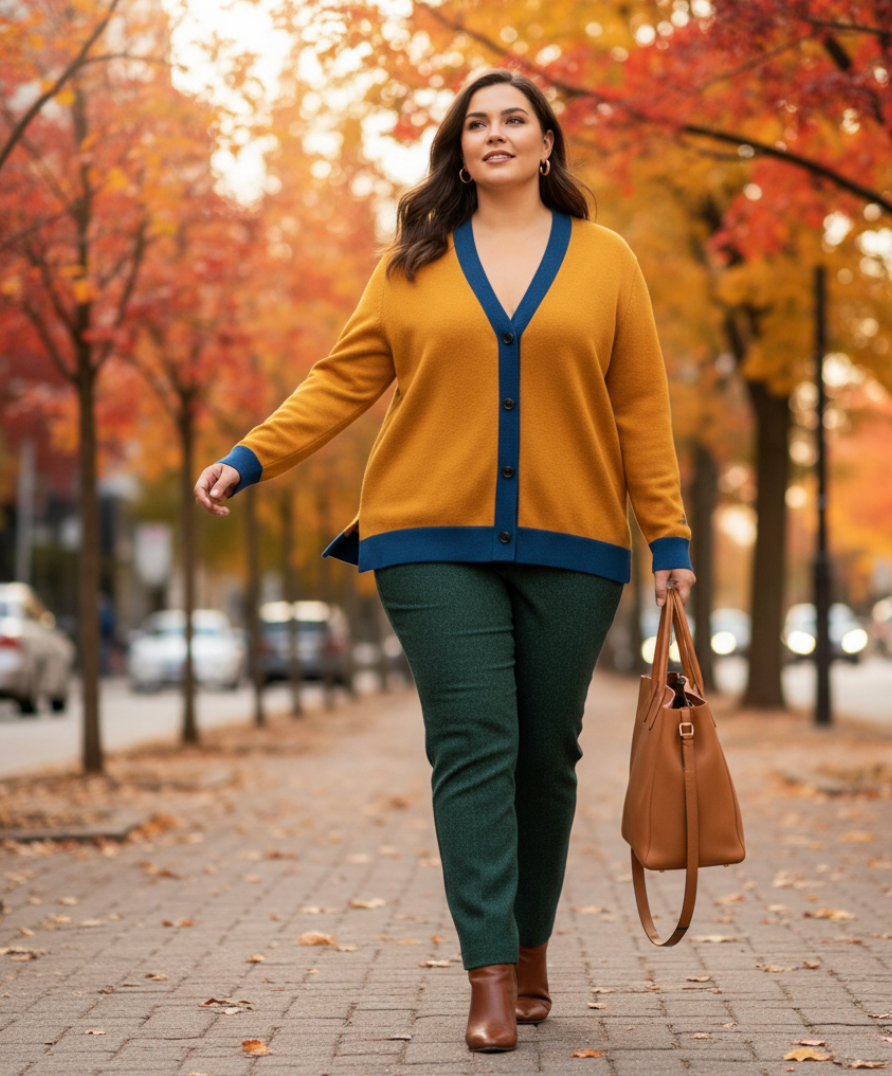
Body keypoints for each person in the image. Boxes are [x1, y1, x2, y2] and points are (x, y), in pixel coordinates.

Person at [194, 67, 694, 1053]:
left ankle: (533, 943)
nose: (496, 134)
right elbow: (338, 383)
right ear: (458, 148)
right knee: (474, 744)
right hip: (426, 539)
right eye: (478, 124)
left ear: (547, 143)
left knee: (546, 755)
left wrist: (667, 536)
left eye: (516, 120)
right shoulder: (413, 262)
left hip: (575, 542)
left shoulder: (607, 261)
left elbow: (641, 406)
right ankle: (490, 974)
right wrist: (248, 455)